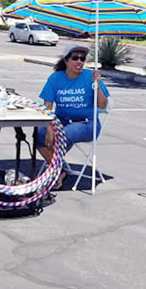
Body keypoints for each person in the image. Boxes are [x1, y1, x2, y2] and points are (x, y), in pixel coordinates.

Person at [36, 43, 110, 189]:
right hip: (61, 121)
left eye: (82, 58)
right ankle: (59, 169)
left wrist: (98, 84)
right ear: (66, 61)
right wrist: (49, 127)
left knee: (64, 135)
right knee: (39, 133)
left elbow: (102, 105)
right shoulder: (55, 78)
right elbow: (47, 105)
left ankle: (54, 172)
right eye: (75, 58)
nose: (79, 61)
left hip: (87, 124)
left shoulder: (91, 76)